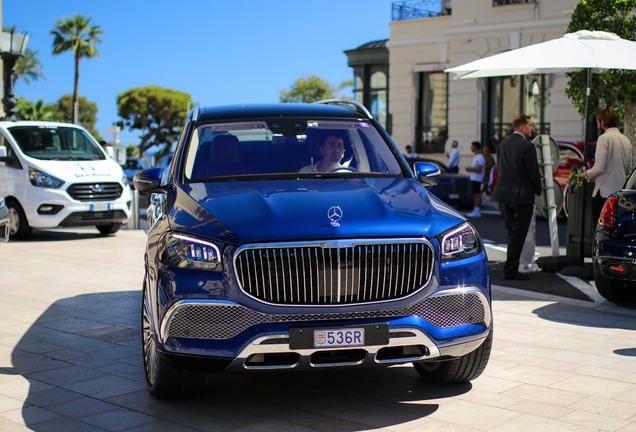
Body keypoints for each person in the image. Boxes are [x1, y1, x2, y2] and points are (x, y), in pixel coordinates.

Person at [491, 114, 542, 281]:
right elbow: (533, 173)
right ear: (522, 127)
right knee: (518, 234)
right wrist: (538, 190)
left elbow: (500, 168)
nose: (532, 128)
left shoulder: (502, 145)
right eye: (530, 125)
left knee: (511, 232)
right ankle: (511, 270)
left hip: (503, 195)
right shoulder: (527, 146)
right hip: (522, 196)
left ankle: (510, 267)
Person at [581, 108, 632, 224]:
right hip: (620, 194)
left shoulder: (604, 139)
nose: (597, 124)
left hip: (603, 193)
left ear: (603, 122)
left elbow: (599, 168)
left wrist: (585, 174)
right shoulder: (626, 140)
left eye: (598, 121)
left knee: (599, 228)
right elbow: (628, 170)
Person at [465, 141, 485, 217]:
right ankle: (476, 210)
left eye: (472, 147)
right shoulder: (476, 157)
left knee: (477, 195)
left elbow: (480, 169)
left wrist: (471, 169)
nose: (471, 148)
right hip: (474, 178)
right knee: (475, 194)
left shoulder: (480, 157)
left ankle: (477, 211)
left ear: (475, 147)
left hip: (477, 179)